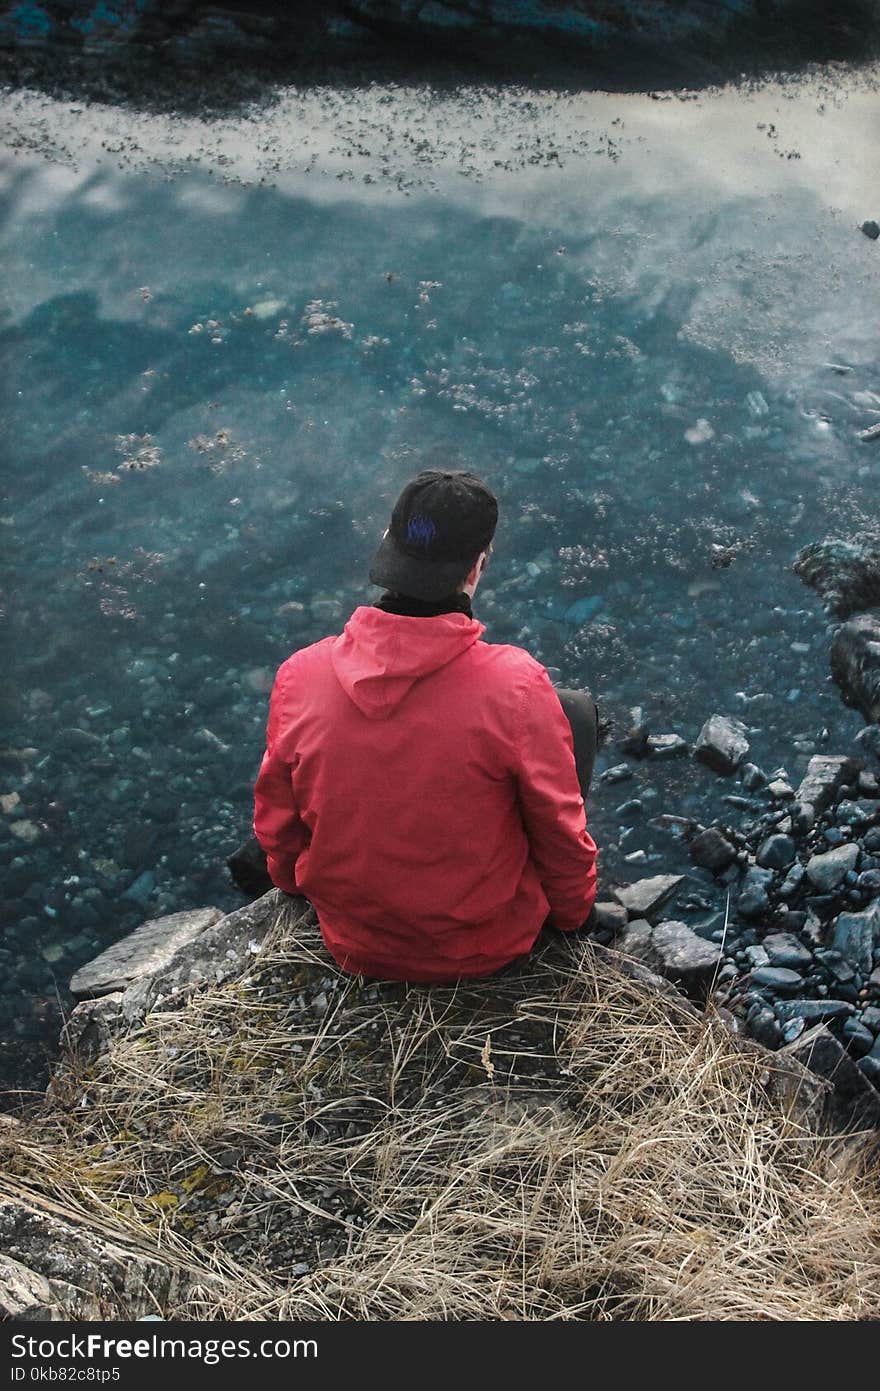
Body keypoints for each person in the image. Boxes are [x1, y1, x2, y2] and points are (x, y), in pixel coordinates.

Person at [250, 469, 599, 982]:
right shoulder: (516, 686)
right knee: (574, 713)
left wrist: (293, 884)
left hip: (353, 943)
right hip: (483, 947)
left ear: (387, 548)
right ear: (477, 568)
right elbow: (558, 828)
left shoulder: (300, 675)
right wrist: (573, 916)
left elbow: (278, 824)